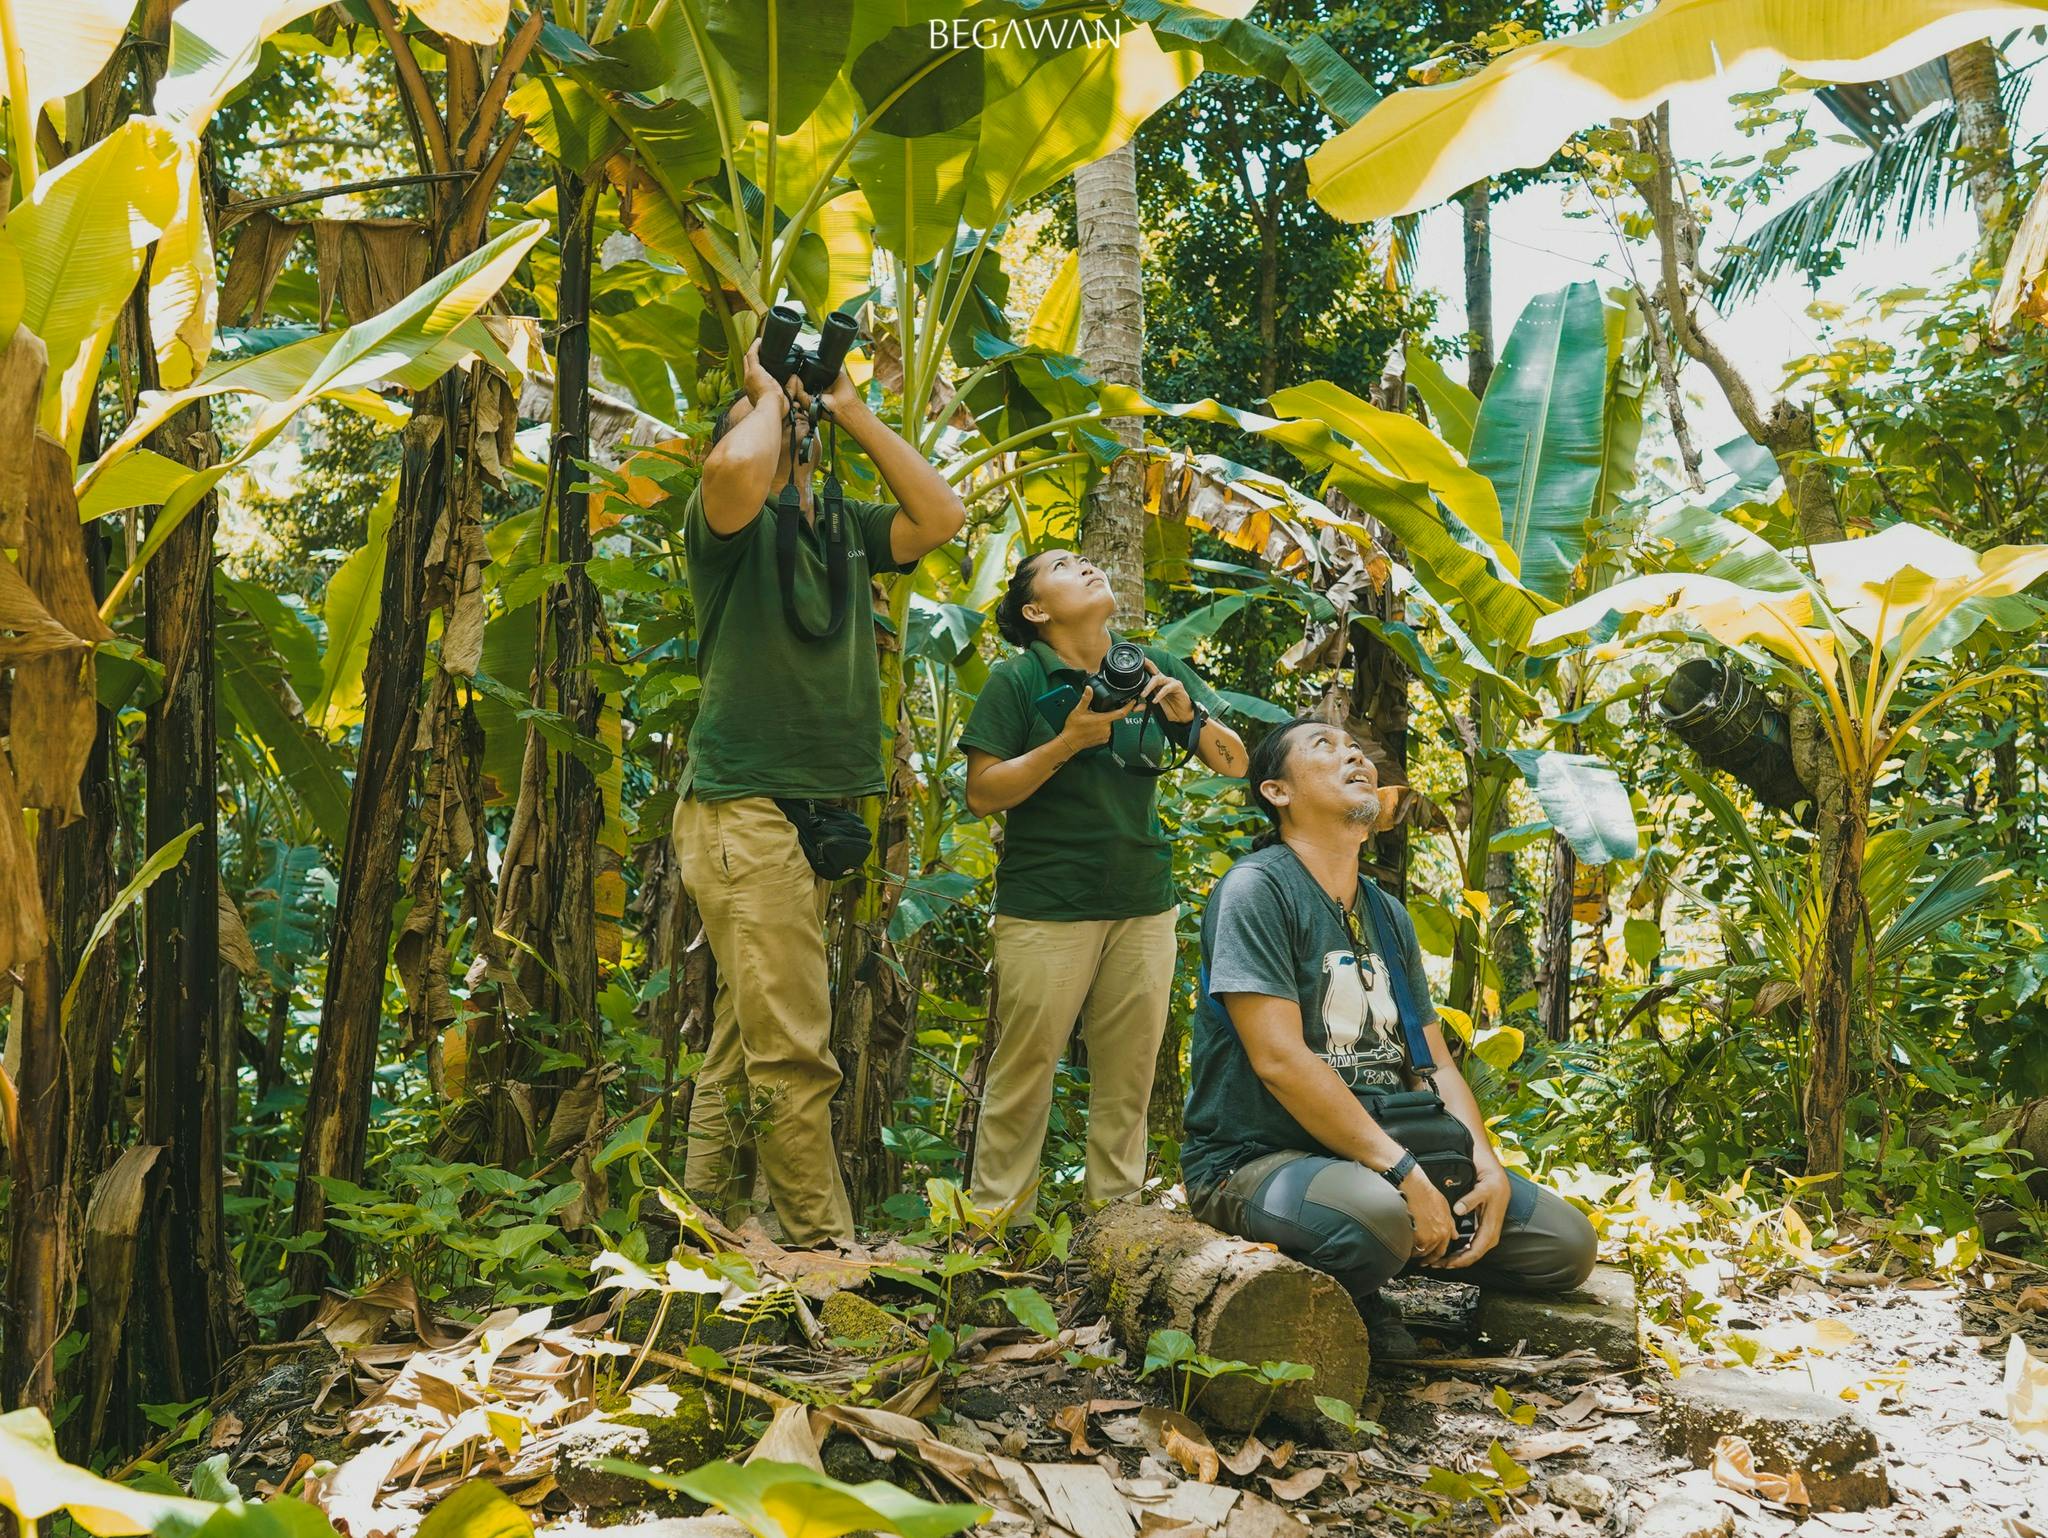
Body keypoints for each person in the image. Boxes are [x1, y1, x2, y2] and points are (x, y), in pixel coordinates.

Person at [675, 332, 965, 1249]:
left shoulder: (843, 530)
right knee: (795, 1053)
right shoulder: (725, 528)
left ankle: (700, 1236)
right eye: (775, 424)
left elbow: (941, 515)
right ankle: (823, 1254)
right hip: (742, 807)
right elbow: (732, 471)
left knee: (738, 1048)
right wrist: (764, 390)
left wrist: (845, 404)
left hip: (799, 822)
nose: (790, 432)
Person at [1181, 716, 1596, 1352]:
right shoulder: (1257, 890)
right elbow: (1279, 1060)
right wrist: (1402, 1174)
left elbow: (1435, 1064)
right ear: (1277, 792)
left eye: (1358, 750)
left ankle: (1388, 1250)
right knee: (1375, 1218)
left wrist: (1485, 1165)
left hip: (1383, 1153)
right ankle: (1359, 1287)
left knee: (1564, 1247)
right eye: (1325, 748)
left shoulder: (1384, 912)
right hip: (1260, 1157)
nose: (1355, 759)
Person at [959, 548, 1247, 1225]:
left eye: (1086, 560)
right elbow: (981, 795)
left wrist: (1188, 717)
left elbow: (1236, 765)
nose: (1086, 566)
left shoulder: (1153, 667)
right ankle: (996, 1235)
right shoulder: (1019, 679)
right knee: (1023, 1077)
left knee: (1128, 1082)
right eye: (1062, 567)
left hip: (1143, 903)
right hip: (1045, 908)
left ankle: (1118, 1231)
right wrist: (1067, 742)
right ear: (1036, 610)